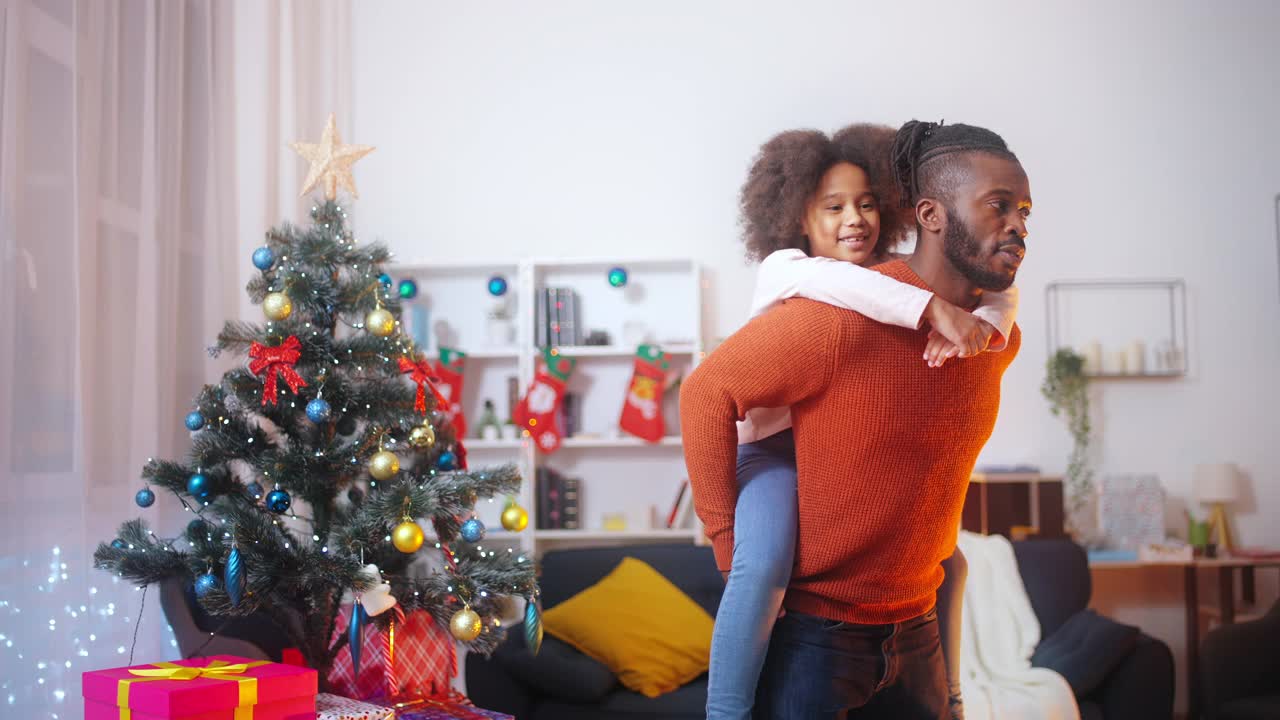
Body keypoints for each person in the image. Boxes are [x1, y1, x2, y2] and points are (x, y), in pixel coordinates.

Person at [683, 120, 1031, 719]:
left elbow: (994, 299)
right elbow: (705, 393)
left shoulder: (992, 334)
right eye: (997, 206)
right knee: (758, 562)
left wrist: (982, 325)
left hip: (917, 635)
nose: (1018, 226)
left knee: (955, 555)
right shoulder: (819, 302)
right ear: (930, 214)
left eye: (1024, 210)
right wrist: (725, 538)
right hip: (818, 631)